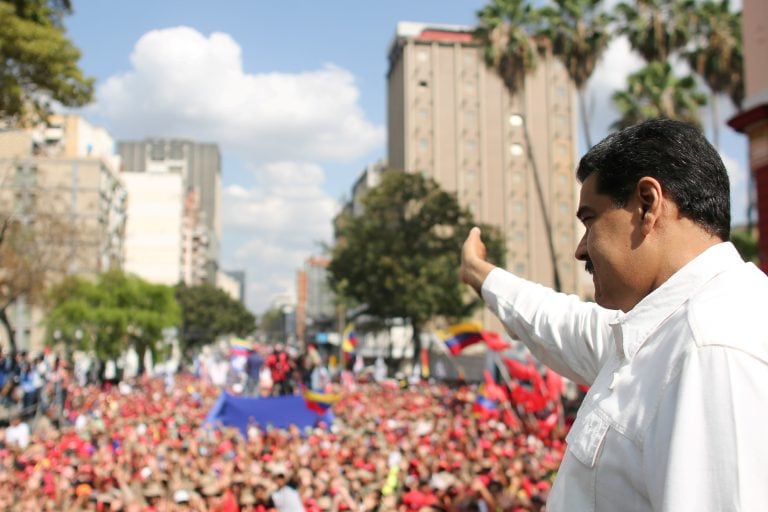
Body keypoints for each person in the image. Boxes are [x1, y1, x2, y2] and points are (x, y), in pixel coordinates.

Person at [460, 118, 768, 511]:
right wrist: (481, 275)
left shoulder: (712, 348)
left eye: (589, 220)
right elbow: (565, 325)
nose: (581, 249)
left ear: (647, 204)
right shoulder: (668, 330)